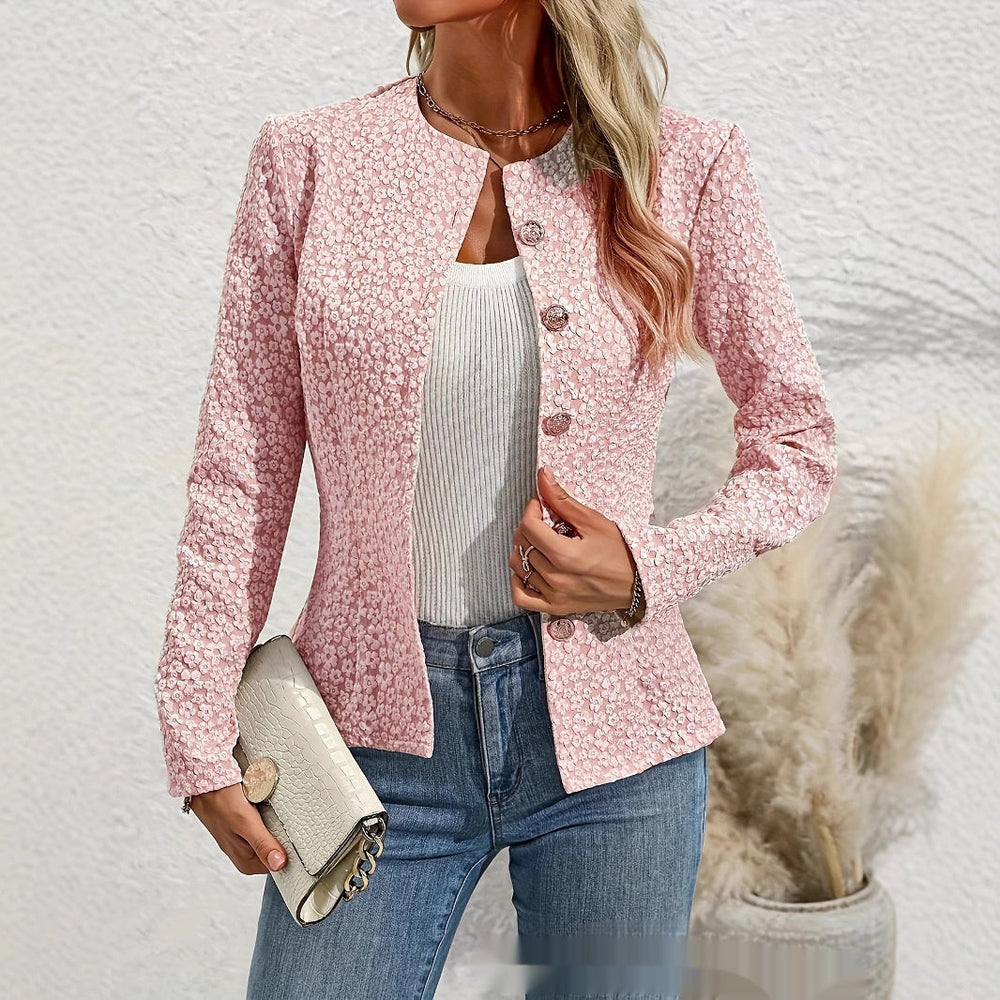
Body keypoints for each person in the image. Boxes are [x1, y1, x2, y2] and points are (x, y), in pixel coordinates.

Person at [153, 2, 838, 997]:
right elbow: (240, 471)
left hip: (618, 749)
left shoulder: (682, 165)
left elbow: (798, 440)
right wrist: (195, 724)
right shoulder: (308, 162)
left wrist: (644, 565)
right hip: (366, 744)